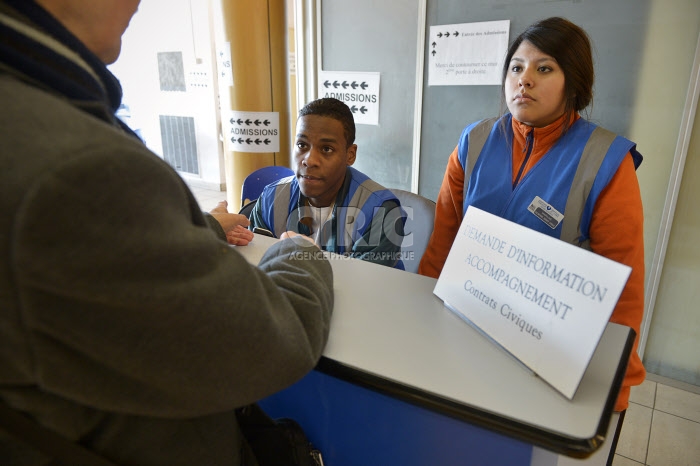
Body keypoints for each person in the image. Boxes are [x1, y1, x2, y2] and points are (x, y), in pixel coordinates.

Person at [0, 1, 333, 465]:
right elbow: (270, 341)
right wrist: (300, 254)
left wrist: (194, 230)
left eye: (327, 148)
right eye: (301, 145)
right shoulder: (74, 171)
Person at [419, 17, 645, 413]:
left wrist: (616, 387)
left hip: (546, 353)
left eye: (544, 68)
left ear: (573, 83)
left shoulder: (605, 162)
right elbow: (443, 240)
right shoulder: (473, 142)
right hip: (464, 328)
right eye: (516, 67)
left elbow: (622, 285)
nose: (524, 80)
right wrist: (421, 316)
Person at [246, 97, 407, 269]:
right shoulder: (271, 199)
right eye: (302, 145)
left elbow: (365, 288)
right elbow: (257, 270)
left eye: (326, 149)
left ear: (350, 155)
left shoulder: (381, 212)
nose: (309, 160)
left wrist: (315, 263)